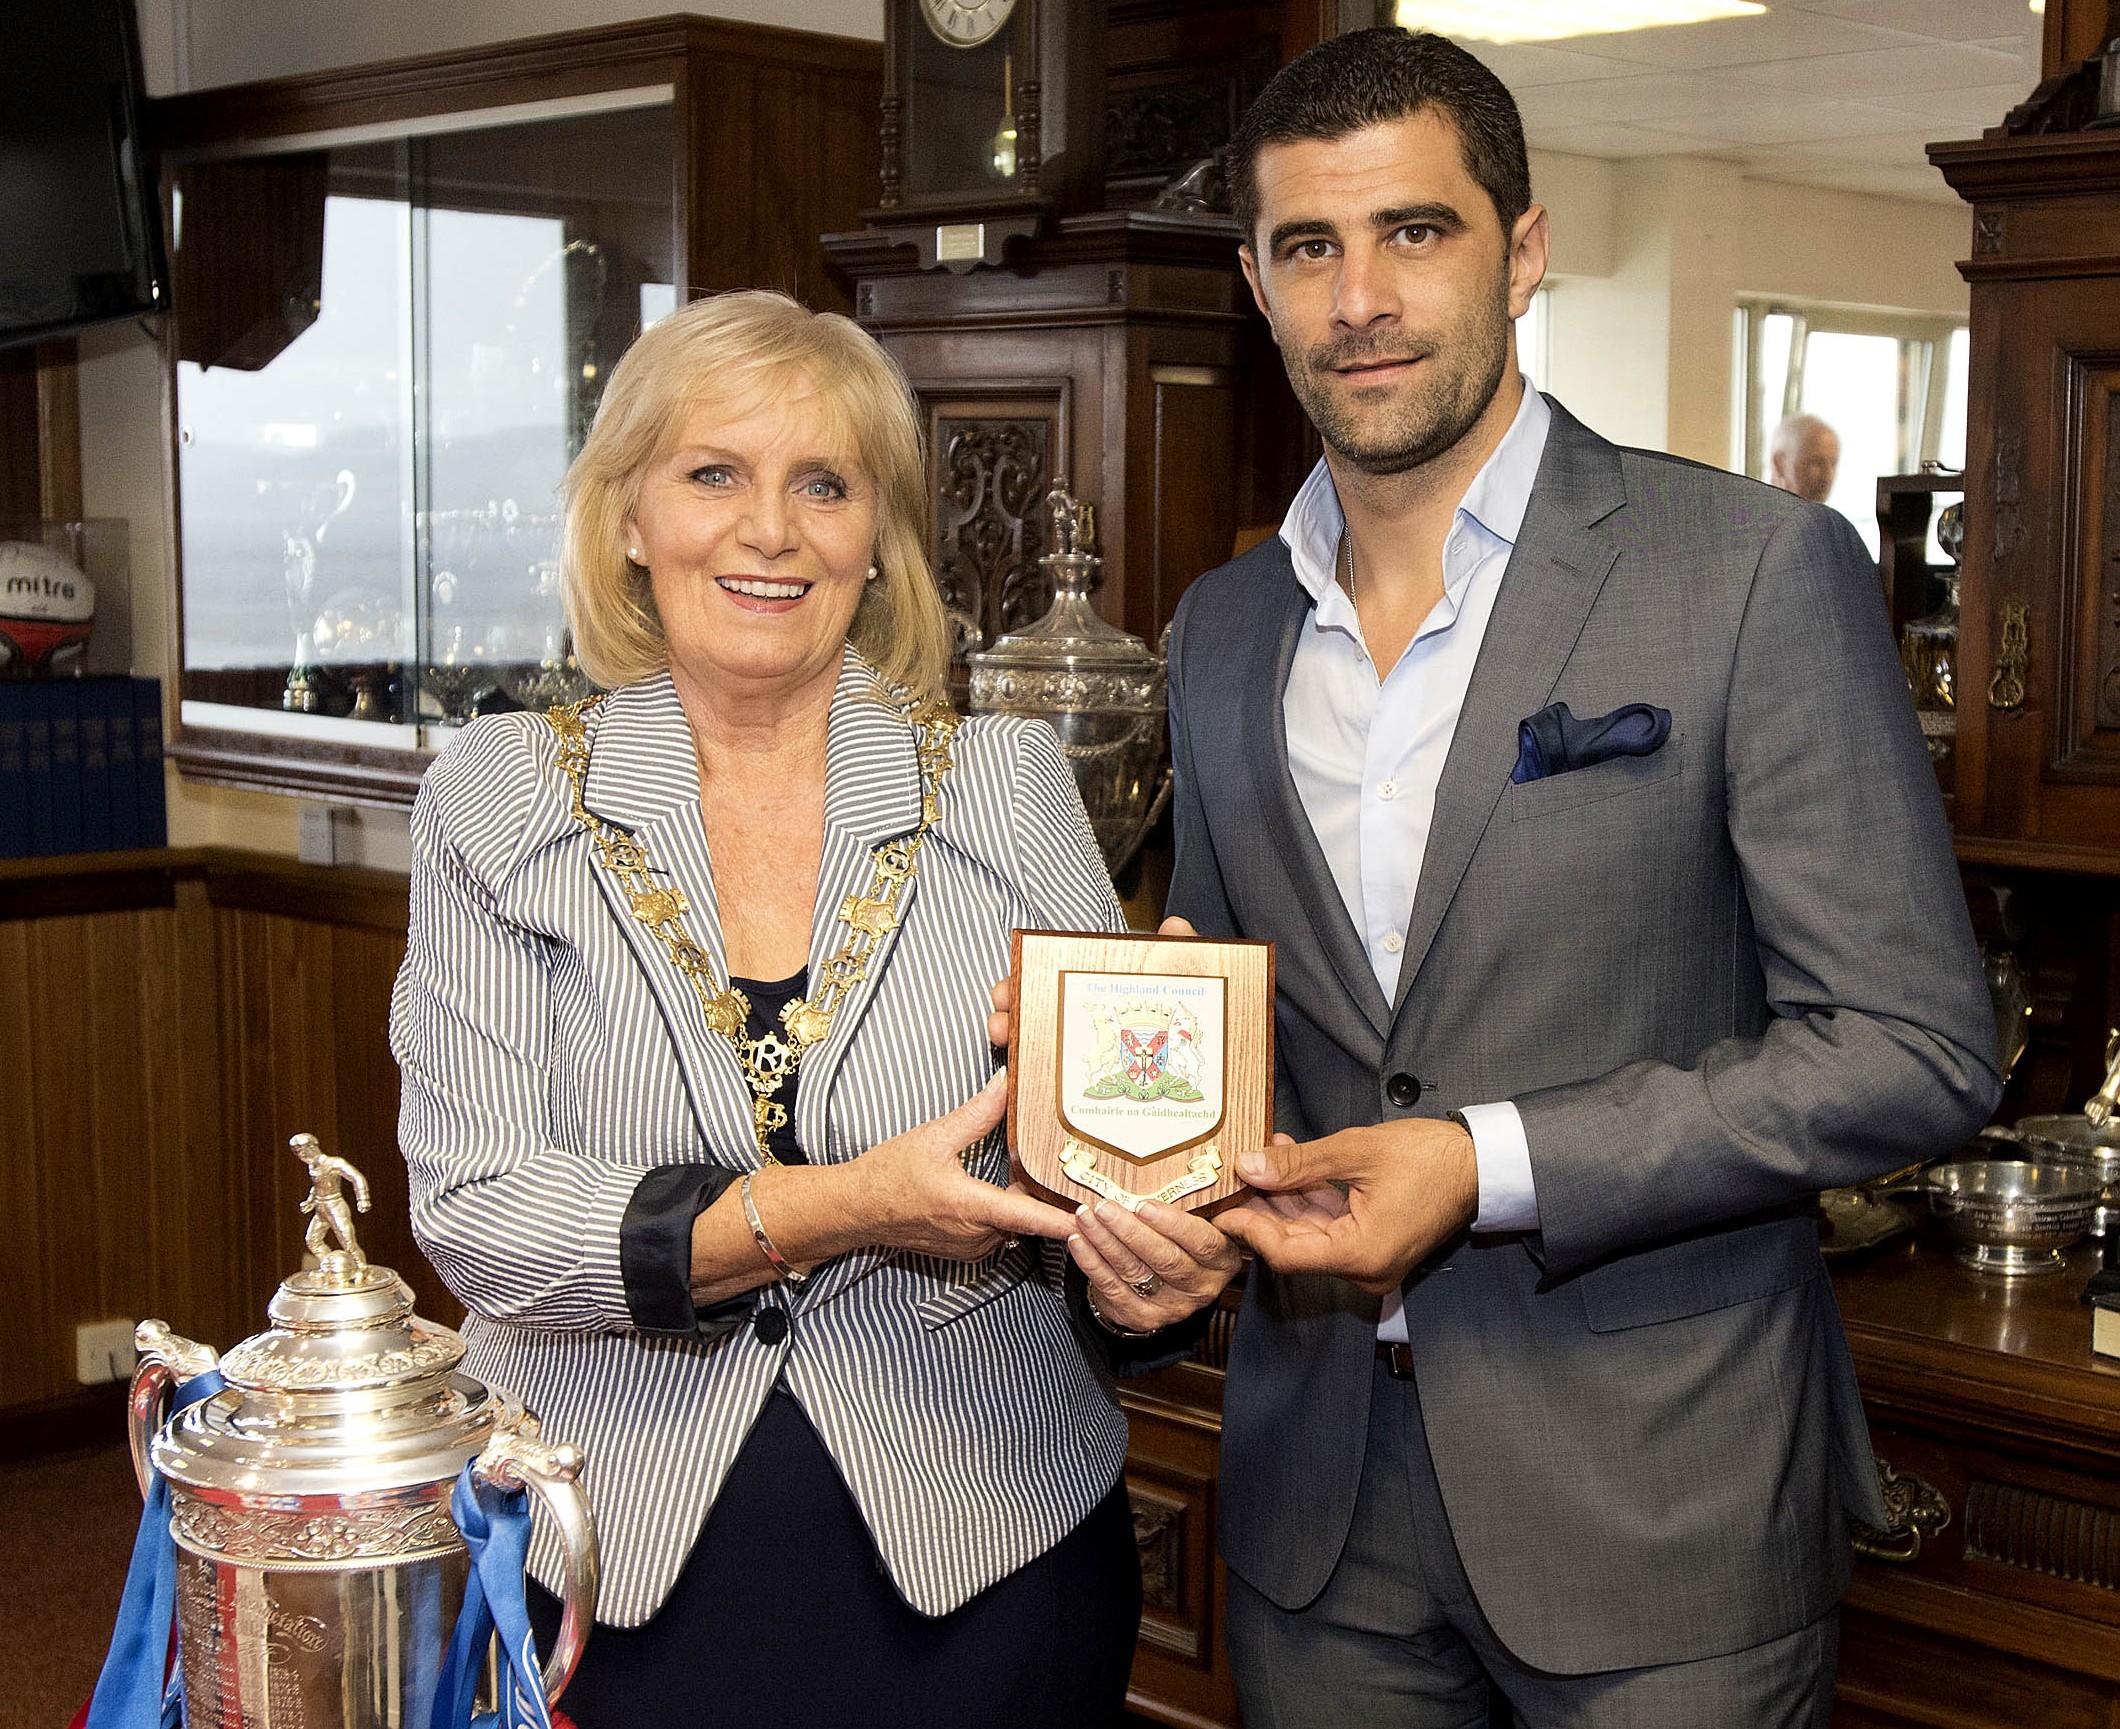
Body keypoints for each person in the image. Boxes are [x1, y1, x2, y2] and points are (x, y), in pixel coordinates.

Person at [1155, 29, 2000, 1728]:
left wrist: (1481, 1160)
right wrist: (1144, 1168)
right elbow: (1225, 1005)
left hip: (1660, 1508)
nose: (1362, 297)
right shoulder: (1222, 626)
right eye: (1310, 247)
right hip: (1321, 1511)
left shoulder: (1752, 570)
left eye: (1418, 231)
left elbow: (1915, 1043)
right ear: (1256, 281)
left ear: (1523, 251)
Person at [389, 290, 1243, 1729]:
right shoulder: (497, 797)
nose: (770, 531)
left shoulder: (1009, 781)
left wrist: (1151, 1269)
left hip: (991, 1553)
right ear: (626, 522)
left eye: (825, 484)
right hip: (611, 1564)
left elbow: (1097, 1160)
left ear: (879, 544)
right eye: (713, 473)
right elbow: (479, 1212)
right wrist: (840, 1205)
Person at [1769, 410, 1841, 503]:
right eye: (1816, 463)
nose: (1827, 477)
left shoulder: (1831, 517)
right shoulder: (1752, 514)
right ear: (1780, 463)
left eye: (1833, 464)